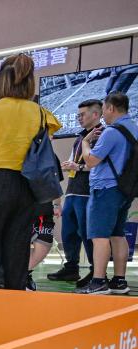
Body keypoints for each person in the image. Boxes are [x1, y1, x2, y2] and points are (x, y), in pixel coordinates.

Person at [0, 53, 60, 290]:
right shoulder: (40, 113)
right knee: (17, 246)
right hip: (27, 186)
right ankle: (12, 296)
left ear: (2, 81)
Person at [77, 91, 137, 295]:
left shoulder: (111, 132)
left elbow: (91, 161)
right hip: (124, 189)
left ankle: (98, 281)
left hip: (105, 189)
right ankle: (119, 281)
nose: (103, 114)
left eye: (103, 110)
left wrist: (86, 142)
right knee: (117, 234)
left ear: (111, 108)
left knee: (99, 235)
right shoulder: (134, 128)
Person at [50, 99, 102, 287]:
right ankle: (71, 267)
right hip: (73, 190)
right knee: (69, 231)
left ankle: (96, 271)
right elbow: (77, 162)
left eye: (82, 115)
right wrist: (70, 165)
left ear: (95, 114)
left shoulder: (101, 134)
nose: (79, 118)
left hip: (87, 192)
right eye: (78, 115)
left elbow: (98, 163)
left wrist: (78, 166)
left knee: (87, 232)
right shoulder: (81, 137)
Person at [25, 202, 56, 290]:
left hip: (42, 208)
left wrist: (57, 204)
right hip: (16, 207)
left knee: (44, 244)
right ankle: (19, 274)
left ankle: (24, 274)